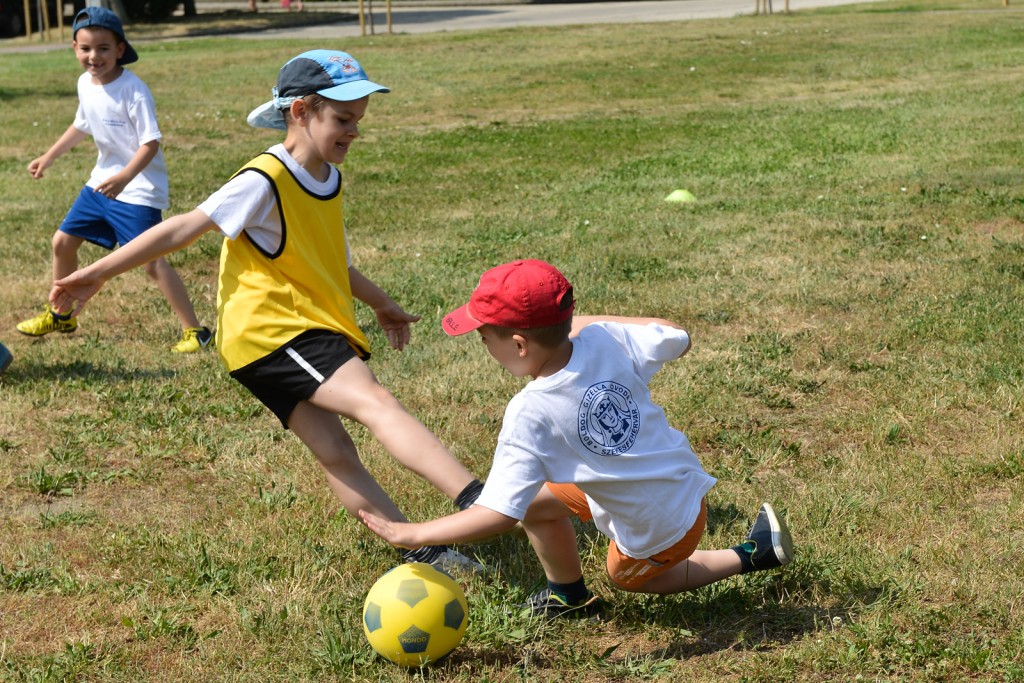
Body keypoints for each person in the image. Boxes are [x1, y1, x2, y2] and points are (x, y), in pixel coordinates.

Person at [50, 50, 485, 573]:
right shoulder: (265, 177)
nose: (354, 131)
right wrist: (98, 272)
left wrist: (382, 304)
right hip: (274, 330)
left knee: (335, 450)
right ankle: (481, 501)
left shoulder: (326, 178)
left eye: (358, 120)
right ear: (301, 111)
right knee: (376, 402)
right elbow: (184, 227)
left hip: (274, 337)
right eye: (343, 119)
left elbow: (333, 261)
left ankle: (423, 552)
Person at [359, 259, 794, 617]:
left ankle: (752, 553)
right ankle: (568, 597)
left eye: (484, 337)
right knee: (535, 504)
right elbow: (677, 335)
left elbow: (497, 512)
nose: (483, 344)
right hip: (672, 480)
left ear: (519, 345)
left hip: (663, 523)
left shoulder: (530, 411)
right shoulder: (605, 339)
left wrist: (415, 535)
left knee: (626, 577)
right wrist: (569, 324)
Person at [18, 7, 211, 354]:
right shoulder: (84, 84)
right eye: (86, 48)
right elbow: (82, 124)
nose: (94, 56)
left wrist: (124, 177)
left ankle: (195, 331)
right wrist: (49, 156)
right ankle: (61, 315)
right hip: (101, 184)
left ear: (120, 49)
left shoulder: (133, 90)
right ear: (74, 48)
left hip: (138, 190)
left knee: (151, 262)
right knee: (62, 243)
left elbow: (150, 143)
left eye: (103, 48)